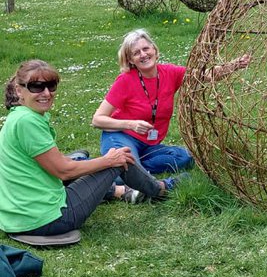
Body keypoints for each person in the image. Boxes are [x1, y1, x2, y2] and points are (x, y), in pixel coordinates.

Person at [0, 59, 170, 241]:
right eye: (36, 87)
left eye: (51, 86)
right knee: (120, 158)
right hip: (48, 219)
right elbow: (64, 171)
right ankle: (161, 189)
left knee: (86, 160)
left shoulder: (18, 116)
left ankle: (120, 191)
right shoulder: (28, 122)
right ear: (19, 90)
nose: (47, 93)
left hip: (17, 216)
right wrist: (109, 160)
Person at [92, 29, 250, 184]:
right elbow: (97, 120)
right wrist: (131, 124)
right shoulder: (125, 80)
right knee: (127, 166)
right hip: (121, 136)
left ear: (154, 50)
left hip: (148, 144)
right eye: (136, 53)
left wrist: (235, 65)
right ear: (131, 60)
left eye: (146, 48)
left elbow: (205, 76)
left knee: (185, 158)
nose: (143, 54)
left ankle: (128, 168)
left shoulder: (170, 73)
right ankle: (123, 172)